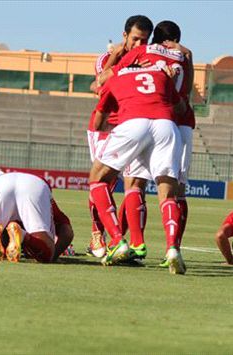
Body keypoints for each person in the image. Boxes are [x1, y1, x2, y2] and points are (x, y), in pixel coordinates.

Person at [98, 20, 195, 264]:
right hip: (177, 124)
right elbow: (186, 94)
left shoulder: (144, 54)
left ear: (154, 40)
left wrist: (119, 57)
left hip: (145, 117)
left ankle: (135, 243)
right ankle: (173, 249)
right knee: (173, 193)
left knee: (134, 183)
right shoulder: (184, 56)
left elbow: (102, 80)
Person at [89, 62, 187, 274]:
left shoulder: (115, 78)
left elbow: (98, 121)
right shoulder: (160, 76)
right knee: (167, 195)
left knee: (97, 178)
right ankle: (172, 249)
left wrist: (111, 130)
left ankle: (117, 241)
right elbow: (181, 109)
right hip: (166, 126)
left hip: (133, 123)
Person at [86, 15, 154, 259]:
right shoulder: (106, 58)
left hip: (135, 126)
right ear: (125, 36)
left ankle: (127, 243)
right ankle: (98, 235)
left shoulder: (149, 58)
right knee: (103, 183)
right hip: (107, 127)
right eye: (135, 39)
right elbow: (100, 86)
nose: (139, 45)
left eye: (144, 40)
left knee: (136, 186)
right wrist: (117, 58)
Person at [0, 172, 74, 263]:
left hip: (0, 182)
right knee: (47, 254)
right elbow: (67, 232)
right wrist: (53, 256)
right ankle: (23, 235)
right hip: (34, 185)